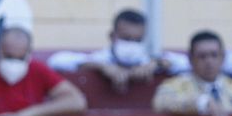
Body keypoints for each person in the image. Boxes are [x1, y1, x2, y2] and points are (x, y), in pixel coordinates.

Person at [47, 9, 185, 92]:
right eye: (126, 38)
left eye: (138, 40)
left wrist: (157, 64)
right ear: (112, 36)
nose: (132, 45)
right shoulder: (101, 59)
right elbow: (55, 61)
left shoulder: (148, 60)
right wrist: (102, 67)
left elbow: (187, 63)